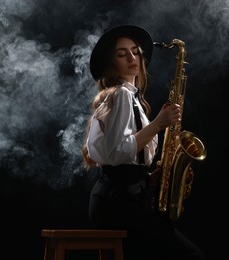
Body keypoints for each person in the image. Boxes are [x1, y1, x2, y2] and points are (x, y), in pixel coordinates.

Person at [82, 24, 206, 260]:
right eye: (122, 54)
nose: (131, 57)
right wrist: (158, 124)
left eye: (135, 51)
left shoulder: (131, 98)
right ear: (112, 64)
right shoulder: (121, 95)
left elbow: (120, 155)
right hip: (118, 204)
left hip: (119, 198)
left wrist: (148, 179)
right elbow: (117, 153)